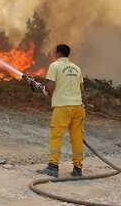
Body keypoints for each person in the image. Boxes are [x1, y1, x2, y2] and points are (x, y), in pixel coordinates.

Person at [37, 44, 85, 178]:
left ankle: (53, 167)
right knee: (77, 138)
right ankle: (77, 169)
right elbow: (80, 89)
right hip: (78, 107)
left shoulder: (54, 66)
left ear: (57, 53)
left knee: (56, 136)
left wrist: (47, 91)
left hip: (62, 107)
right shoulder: (77, 68)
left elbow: (50, 86)